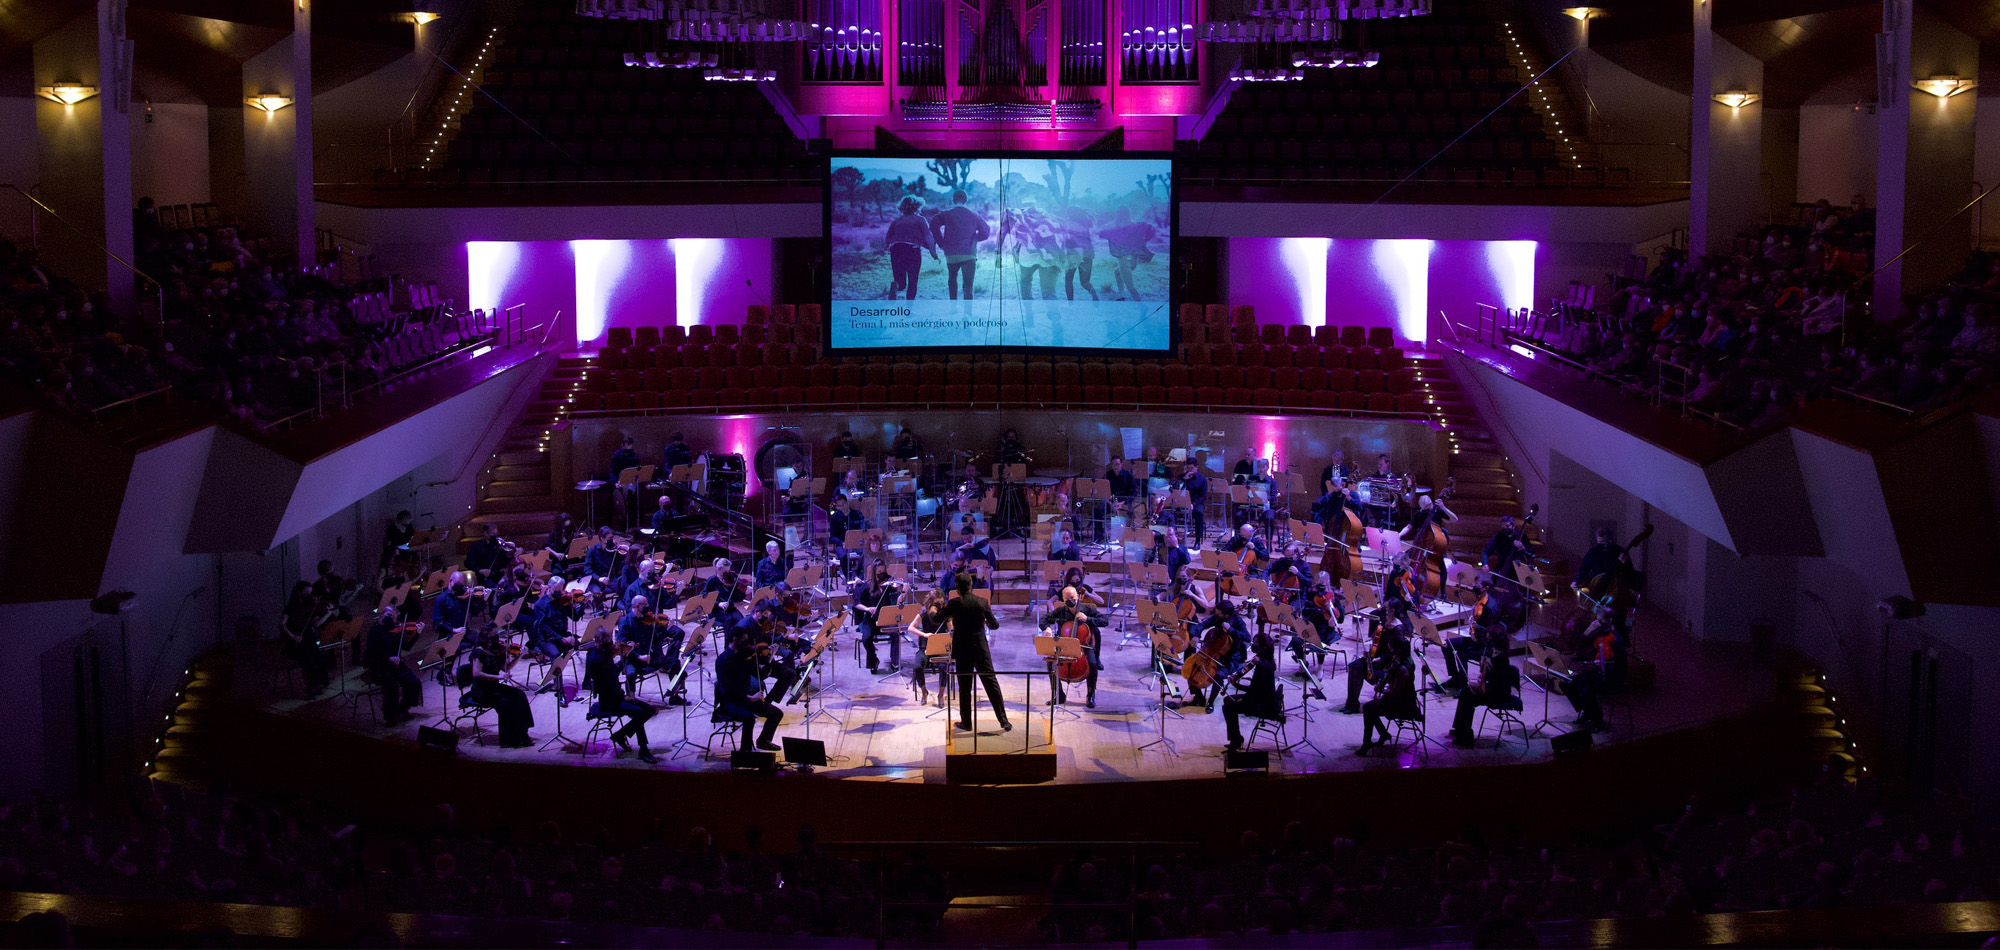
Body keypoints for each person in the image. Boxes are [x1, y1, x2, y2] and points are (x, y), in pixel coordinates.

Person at [943, 572, 1011, 731]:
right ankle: (1003, 721)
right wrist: (985, 620)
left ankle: (966, 723)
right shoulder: (982, 602)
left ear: (957, 588)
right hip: (980, 648)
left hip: (962, 649)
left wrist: (932, 610)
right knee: (991, 683)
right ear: (971, 586)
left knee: (965, 687)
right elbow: (995, 625)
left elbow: (936, 619)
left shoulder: (954, 603)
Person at [585, 630, 657, 763]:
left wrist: (624, 656)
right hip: (609, 701)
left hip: (617, 695)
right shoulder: (596, 659)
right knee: (639, 713)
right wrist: (624, 697)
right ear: (600, 640)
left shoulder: (604, 652)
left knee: (650, 710)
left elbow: (613, 673)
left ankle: (620, 735)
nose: (612, 643)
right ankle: (643, 750)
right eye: (609, 641)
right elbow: (607, 683)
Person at [464, 627, 534, 748]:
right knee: (505, 703)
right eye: (494, 636)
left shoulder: (497, 651)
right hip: (481, 691)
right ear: (487, 639)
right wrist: (499, 678)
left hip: (493, 687)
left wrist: (519, 656)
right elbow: (476, 674)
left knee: (519, 695)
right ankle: (508, 740)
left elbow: (505, 668)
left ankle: (522, 733)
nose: (498, 638)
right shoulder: (480, 652)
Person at [716, 633, 784, 751]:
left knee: (776, 713)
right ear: (734, 638)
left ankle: (763, 741)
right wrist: (749, 697)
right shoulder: (723, 660)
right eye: (744, 640)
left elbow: (761, 676)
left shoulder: (744, 656)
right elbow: (726, 689)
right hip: (731, 702)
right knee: (749, 718)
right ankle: (745, 752)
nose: (747, 643)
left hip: (747, 699)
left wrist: (769, 659)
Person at [1356, 627, 1416, 755]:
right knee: (1370, 708)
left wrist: (1381, 690)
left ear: (1395, 649)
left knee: (1369, 708)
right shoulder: (1398, 660)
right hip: (1398, 700)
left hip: (1403, 705)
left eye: (1390, 648)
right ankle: (1383, 734)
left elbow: (1396, 693)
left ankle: (1367, 743)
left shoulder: (1402, 668)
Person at [1042, 586, 1105, 707]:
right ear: (1063, 599)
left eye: (1072, 597)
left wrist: (1087, 619)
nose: (1070, 600)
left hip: (1083, 647)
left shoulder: (1087, 609)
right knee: (1050, 663)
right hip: (1064, 645)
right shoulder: (1060, 611)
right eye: (1067, 598)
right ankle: (1059, 695)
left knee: (1092, 663)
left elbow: (1104, 620)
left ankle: (1090, 695)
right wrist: (1047, 627)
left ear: (1077, 596)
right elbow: (1044, 619)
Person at [1450, 640, 1521, 747]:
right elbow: (1486, 678)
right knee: (1465, 691)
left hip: (1499, 694)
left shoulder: (1502, 659)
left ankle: (1466, 738)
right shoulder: (1492, 655)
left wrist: (1482, 682)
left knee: (1469, 698)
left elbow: (1498, 682)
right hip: (1490, 689)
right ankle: (1459, 729)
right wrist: (1480, 681)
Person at [1223, 633, 1282, 751]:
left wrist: (1236, 685)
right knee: (1227, 700)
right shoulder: (1268, 660)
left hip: (1262, 704)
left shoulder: (1263, 666)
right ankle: (1236, 738)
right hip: (1262, 697)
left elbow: (1253, 690)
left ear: (1263, 647)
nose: (1253, 646)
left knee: (1228, 708)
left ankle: (1236, 740)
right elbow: (1255, 689)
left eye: (1256, 644)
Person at [362, 608, 420, 725]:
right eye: (388, 615)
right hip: (379, 665)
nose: (390, 618)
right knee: (392, 687)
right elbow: (372, 652)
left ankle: (403, 708)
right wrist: (389, 658)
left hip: (396, 665)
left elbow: (406, 647)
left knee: (414, 682)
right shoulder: (375, 630)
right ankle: (390, 716)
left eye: (393, 617)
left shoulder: (395, 630)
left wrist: (417, 634)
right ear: (382, 615)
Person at [930, 190, 990, 300]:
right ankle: (967, 313)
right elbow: (986, 232)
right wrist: (975, 239)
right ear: (966, 200)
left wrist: (941, 243)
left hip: (951, 253)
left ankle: (953, 306)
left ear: (953, 200)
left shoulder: (946, 214)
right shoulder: (975, 215)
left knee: (952, 278)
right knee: (968, 285)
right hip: (969, 253)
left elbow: (933, 224)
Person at [850, 561, 903, 673]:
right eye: (879, 572)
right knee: (866, 638)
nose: (882, 574)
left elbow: (897, 602)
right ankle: (874, 661)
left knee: (895, 633)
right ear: (874, 572)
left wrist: (902, 590)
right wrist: (867, 609)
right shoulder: (866, 586)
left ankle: (895, 662)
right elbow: (856, 603)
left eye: (883, 571)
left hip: (886, 620)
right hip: (871, 620)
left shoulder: (889, 585)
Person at [885, 196, 938, 300]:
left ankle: (895, 285)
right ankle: (909, 309)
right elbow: (928, 236)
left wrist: (890, 247)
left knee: (900, 282)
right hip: (912, 250)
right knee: (913, 281)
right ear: (917, 207)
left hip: (896, 249)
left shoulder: (897, 221)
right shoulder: (920, 220)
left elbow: (888, 238)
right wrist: (932, 251)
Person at [1100, 206, 1154, 301]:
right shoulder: (1134, 225)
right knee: (1117, 272)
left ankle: (1142, 306)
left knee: (1130, 287)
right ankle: (1121, 294)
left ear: (1118, 214)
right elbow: (1149, 230)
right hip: (1133, 260)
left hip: (1124, 260)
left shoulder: (1117, 226)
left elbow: (1102, 232)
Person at [906, 600, 949, 705]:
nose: (932, 609)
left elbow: (952, 631)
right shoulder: (924, 614)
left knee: (944, 666)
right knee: (917, 667)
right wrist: (925, 635)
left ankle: (940, 695)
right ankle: (924, 691)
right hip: (924, 648)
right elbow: (910, 628)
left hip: (940, 649)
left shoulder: (945, 616)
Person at [1483, 515, 1531, 579]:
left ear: (1513, 526)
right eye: (1503, 526)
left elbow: (1531, 553)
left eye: (1507, 526)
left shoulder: (1522, 537)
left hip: (1517, 574)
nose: (1505, 528)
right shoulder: (1498, 537)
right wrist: (1485, 564)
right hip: (1501, 571)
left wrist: (1522, 547)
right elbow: (1485, 552)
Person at [1181, 464, 1209, 543]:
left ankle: (1197, 541)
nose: (1190, 470)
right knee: (1171, 512)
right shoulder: (1183, 477)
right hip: (1184, 502)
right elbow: (1178, 492)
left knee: (1198, 513)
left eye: (1192, 468)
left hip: (1197, 503)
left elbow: (1203, 496)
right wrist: (1185, 480)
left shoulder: (1202, 479)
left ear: (1197, 467)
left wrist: (1193, 503)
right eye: (1188, 468)